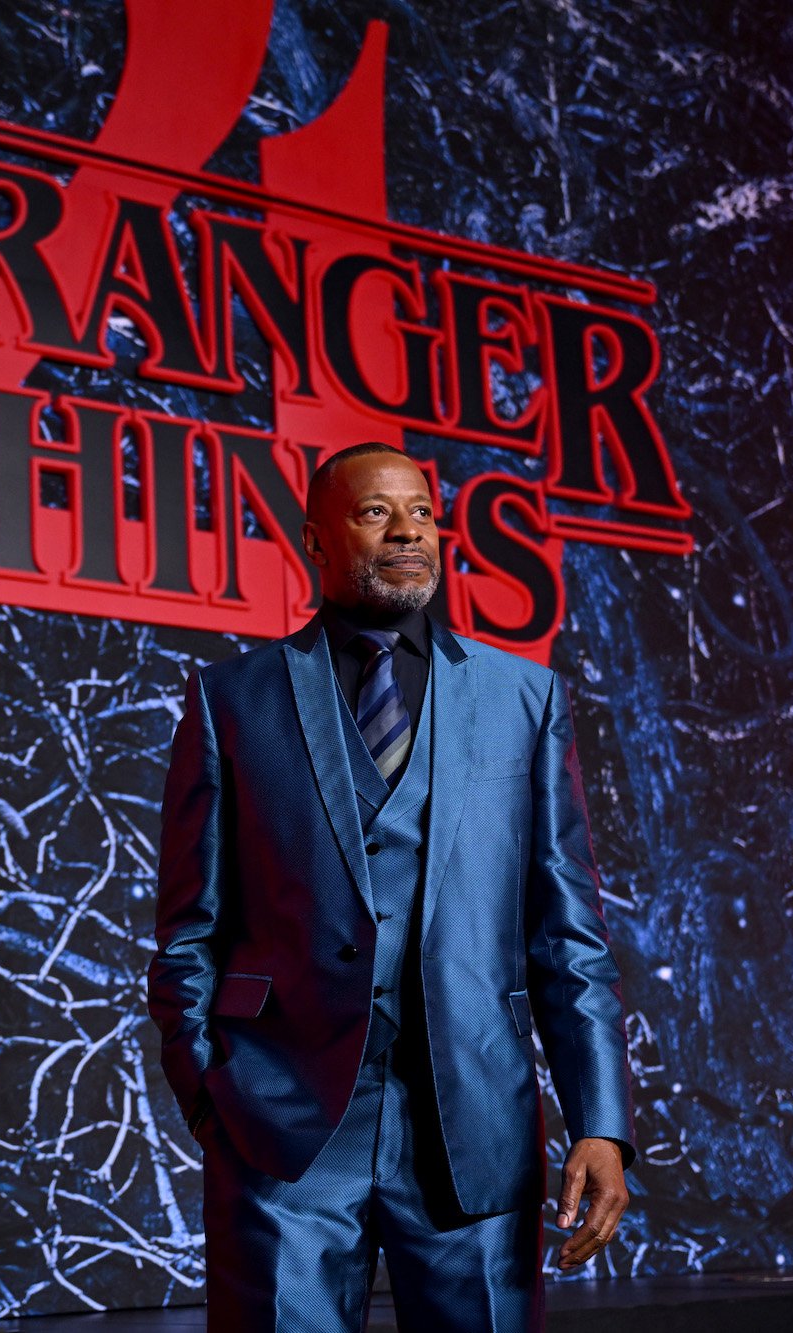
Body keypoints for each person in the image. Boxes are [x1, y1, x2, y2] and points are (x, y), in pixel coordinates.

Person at [146, 442, 635, 1330]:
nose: (408, 529)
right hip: (283, 1130)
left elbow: (570, 934)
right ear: (315, 538)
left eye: (421, 512)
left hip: (472, 1126)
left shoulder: (523, 698)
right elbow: (189, 929)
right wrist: (213, 1095)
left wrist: (599, 1120)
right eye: (376, 512)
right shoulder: (232, 700)